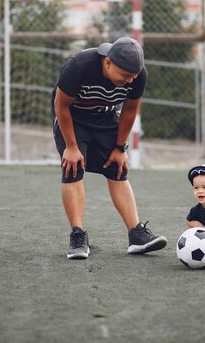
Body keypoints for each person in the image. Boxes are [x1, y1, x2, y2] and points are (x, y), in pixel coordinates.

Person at [51, 36, 168, 259]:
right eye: (125, 76)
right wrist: (72, 146)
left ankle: (136, 235)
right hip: (73, 117)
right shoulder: (79, 66)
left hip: (105, 117)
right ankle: (77, 236)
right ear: (107, 63)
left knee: (118, 169)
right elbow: (61, 105)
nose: (130, 81)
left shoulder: (138, 75)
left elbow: (130, 110)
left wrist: (119, 147)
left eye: (133, 77)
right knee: (73, 169)